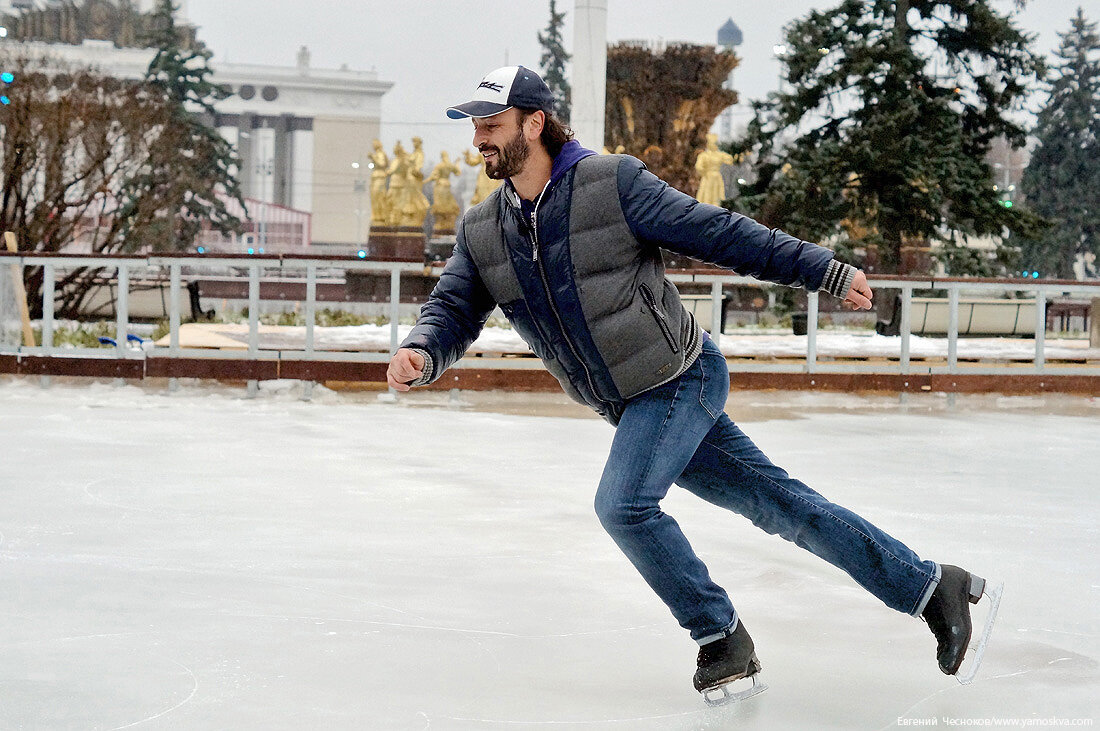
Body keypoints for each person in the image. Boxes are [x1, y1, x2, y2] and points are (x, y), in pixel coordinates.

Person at [386, 66, 996, 702]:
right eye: (476, 127)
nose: (479, 138)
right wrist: (423, 351)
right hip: (626, 401)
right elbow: (454, 307)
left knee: (623, 504)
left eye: (492, 124)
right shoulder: (485, 228)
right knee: (783, 506)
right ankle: (933, 587)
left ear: (534, 123)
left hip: (678, 378)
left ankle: (721, 638)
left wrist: (826, 272)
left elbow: (721, 233)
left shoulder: (611, 185)